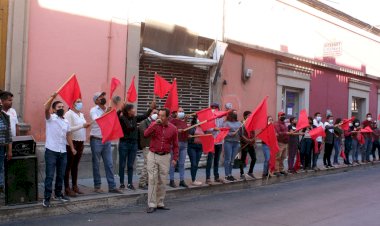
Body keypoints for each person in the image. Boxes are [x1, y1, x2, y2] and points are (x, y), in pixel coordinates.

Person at [43, 93, 76, 207]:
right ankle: (47, 198)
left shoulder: (66, 121)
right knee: (50, 175)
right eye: (59, 107)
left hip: (63, 151)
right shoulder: (50, 118)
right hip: (51, 151)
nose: (61, 109)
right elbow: (46, 108)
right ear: (54, 109)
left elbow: (68, 135)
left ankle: (58, 194)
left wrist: (72, 148)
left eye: (62, 107)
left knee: (61, 175)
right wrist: (52, 97)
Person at [144, 108, 179, 214]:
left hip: (165, 156)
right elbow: (146, 134)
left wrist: (175, 158)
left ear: (168, 117)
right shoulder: (154, 125)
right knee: (152, 179)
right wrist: (154, 124)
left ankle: (159, 203)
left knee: (162, 180)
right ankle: (151, 204)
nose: (160, 117)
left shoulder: (173, 128)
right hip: (153, 155)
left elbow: (176, 145)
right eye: (159, 115)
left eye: (162, 116)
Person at [89, 92, 122, 194]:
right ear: (96, 100)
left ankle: (112, 186)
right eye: (100, 97)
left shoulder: (108, 108)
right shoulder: (93, 110)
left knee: (109, 163)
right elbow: (97, 121)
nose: (103, 98)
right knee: (96, 164)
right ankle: (97, 186)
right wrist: (106, 113)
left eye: (103, 96)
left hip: (107, 140)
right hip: (96, 139)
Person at [117, 102, 155, 190]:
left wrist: (150, 108)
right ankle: (122, 183)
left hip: (133, 144)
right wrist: (120, 109)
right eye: (132, 109)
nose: (134, 110)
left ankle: (130, 183)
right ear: (128, 111)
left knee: (130, 165)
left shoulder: (135, 118)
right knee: (122, 164)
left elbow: (145, 116)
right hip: (124, 143)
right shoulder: (122, 118)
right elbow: (115, 116)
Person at [64, 99, 91, 197]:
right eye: (78, 101)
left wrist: (85, 126)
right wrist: (81, 126)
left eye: (81, 101)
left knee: (75, 165)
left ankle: (75, 186)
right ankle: (67, 188)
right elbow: (68, 128)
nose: (80, 103)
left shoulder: (81, 114)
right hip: (72, 142)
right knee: (68, 165)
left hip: (80, 142)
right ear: (73, 103)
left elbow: (82, 126)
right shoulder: (69, 114)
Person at [138, 109, 158, 190]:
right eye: (154, 113)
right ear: (150, 114)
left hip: (153, 146)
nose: (156, 114)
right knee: (146, 165)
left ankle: (147, 182)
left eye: (157, 113)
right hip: (146, 146)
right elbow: (145, 133)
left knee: (152, 166)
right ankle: (142, 182)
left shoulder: (156, 122)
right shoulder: (144, 123)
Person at [169, 107, 189, 188]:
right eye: (180, 111)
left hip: (184, 144)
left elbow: (186, 132)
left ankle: (181, 180)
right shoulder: (172, 121)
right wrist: (177, 130)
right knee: (173, 163)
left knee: (182, 164)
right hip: (175, 144)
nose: (181, 112)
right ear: (176, 113)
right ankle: (171, 180)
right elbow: (170, 130)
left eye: (183, 111)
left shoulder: (184, 122)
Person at [223, 110, 242, 182]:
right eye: (234, 113)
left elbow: (240, 133)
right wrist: (231, 134)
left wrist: (241, 129)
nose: (236, 114)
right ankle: (226, 175)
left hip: (236, 142)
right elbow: (224, 132)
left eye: (236, 113)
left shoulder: (239, 123)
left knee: (232, 160)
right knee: (227, 159)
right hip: (228, 142)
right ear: (231, 115)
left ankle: (230, 174)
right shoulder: (226, 123)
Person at [187, 115, 205, 186]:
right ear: (196, 119)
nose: (200, 120)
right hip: (192, 147)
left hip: (200, 147)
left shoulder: (203, 128)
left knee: (196, 164)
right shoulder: (191, 127)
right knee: (193, 163)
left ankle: (194, 179)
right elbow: (187, 135)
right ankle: (193, 180)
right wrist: (189, 136)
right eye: (199, 119)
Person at [239, 111, 256, 180]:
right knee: (242, 160)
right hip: (244, 144)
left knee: (254, 158)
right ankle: (242, 173)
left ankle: (250, 172)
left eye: (251, 115)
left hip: (251, 144)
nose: (250, 116)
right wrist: (247, 140)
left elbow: (253, 133)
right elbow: (241, 134)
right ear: (245, 116)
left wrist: (253, 141)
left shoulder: (252, 123)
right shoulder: (241, 124)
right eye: (249, 115)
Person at [0, 97, 12, 195]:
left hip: (1, 147)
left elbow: (9, 135)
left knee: (1, 168)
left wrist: (9, 150)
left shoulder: (5, 117)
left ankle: (1, 187)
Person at [274, 112, 289, 176]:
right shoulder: (277, 124)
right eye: (282, 115)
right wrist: (287, 133)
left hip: (285, 143)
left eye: (284, 115)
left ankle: (281, 169)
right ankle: (276, 170)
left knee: (283, 157)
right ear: (278, 116)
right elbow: (278, 133)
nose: (283, 116)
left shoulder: (284, 124)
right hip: (280, 142)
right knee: (278, 157)